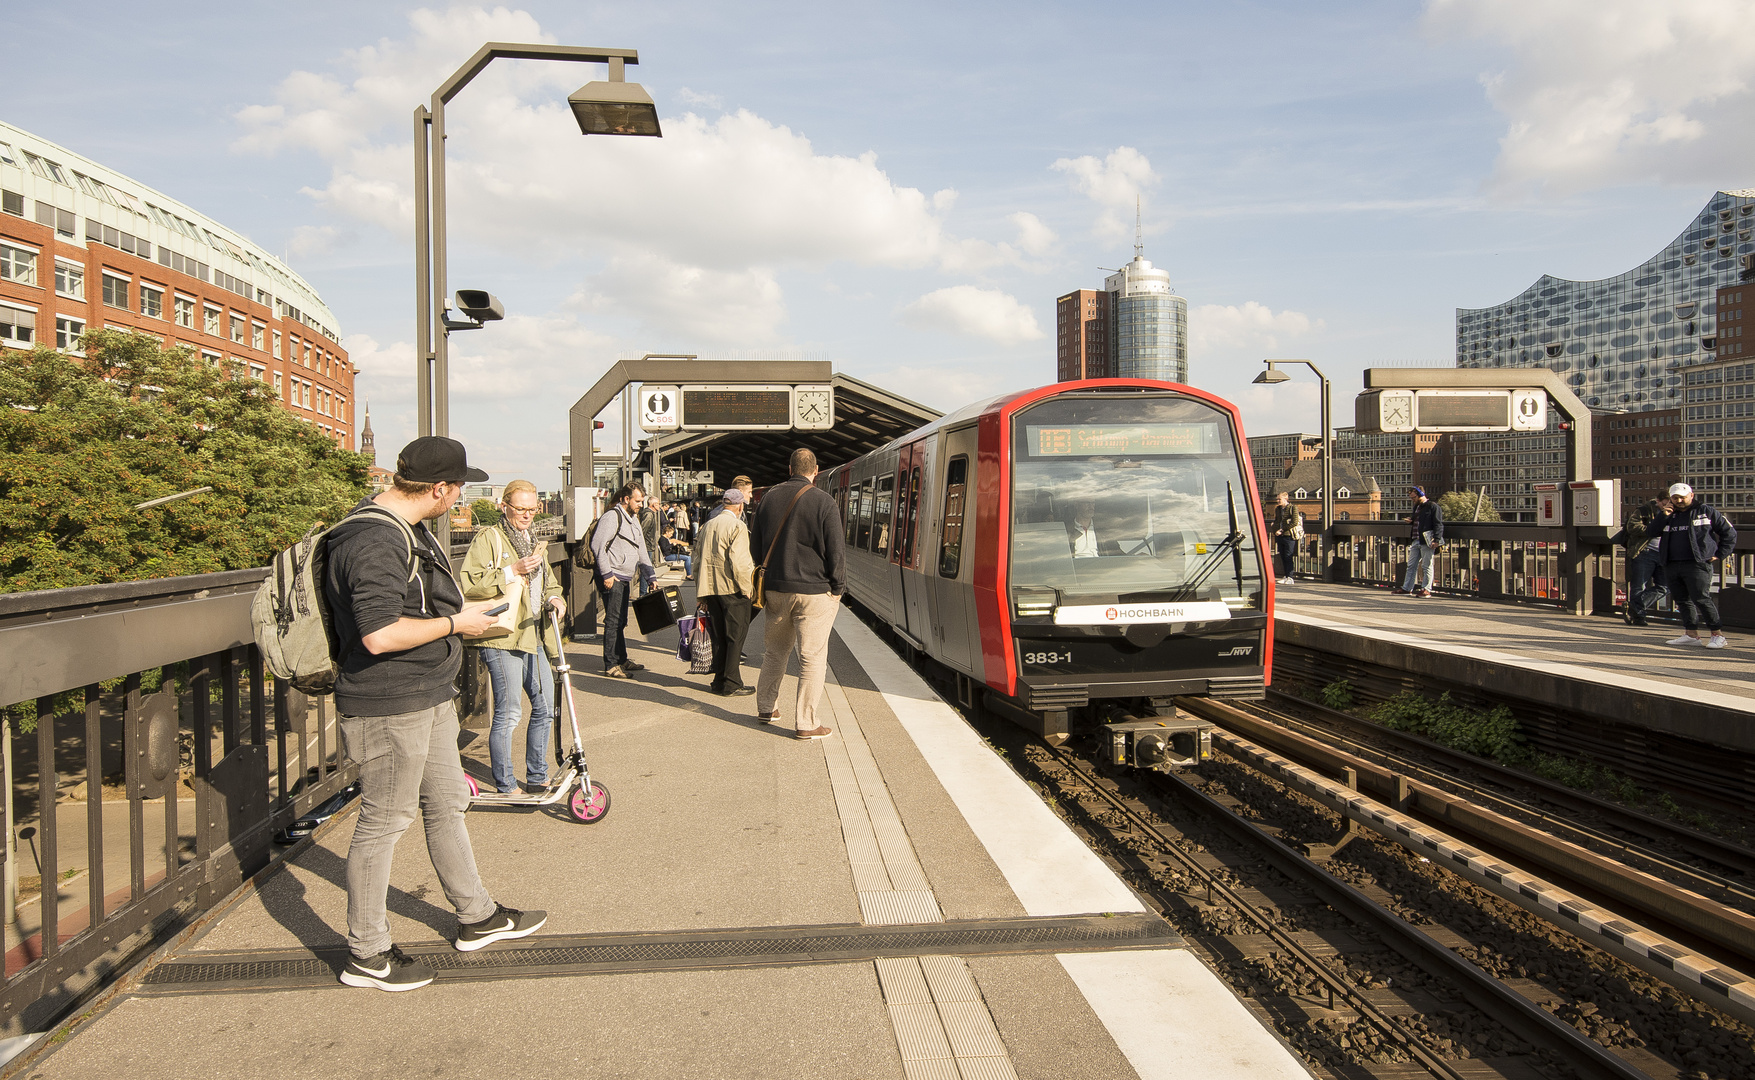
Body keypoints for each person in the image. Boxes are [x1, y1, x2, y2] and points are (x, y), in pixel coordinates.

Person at [325, 437, 546, 991]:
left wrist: (466, 611)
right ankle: (367, 953)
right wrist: (457, 625)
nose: (461, 495)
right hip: (388, 700)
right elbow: (378, 634)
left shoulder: (408, 531)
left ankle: (477, 916)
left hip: (425, 692)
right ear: (440, 489)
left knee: (447, 802)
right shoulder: (375, 540)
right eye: (459, 486)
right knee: (385, 819)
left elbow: (413, 607)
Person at [460, 480, 566, 794]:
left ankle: (537, 777)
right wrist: (512, 570)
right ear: (505, 506)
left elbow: (549, 583)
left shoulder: (533, 540)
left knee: (546, 706)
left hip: (533, 633)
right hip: (502, 636)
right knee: (509, 712)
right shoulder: (489, 538)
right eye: (520, 509)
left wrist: (556, 599)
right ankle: (505, 783)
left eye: (532, 509)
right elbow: (470, 583)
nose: (527, 515)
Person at [752, 449, 846, 739]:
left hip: (777, 589)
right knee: (812, 657)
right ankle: (806, 723)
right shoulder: (824, 501)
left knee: (775, 651)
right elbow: (836, 551)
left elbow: (756, 546)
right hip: (815, 593)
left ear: (788, 467)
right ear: (815, 470)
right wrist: (838, 588)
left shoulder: (768, 498)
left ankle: (767, 707)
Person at [1654, 482, 1735, 649]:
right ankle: (1691, 634)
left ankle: (1717, 635)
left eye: (1682, 497)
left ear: (1691, 495)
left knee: (1702, 598)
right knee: (1682, 600)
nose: (1679, 501)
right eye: (1675, 498)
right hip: (1672, 563)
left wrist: (1720, 554)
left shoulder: (1706, 511)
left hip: (1697, 563)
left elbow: (1729, 533)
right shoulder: (1668, 514)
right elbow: (1651, 532)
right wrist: (1663, 515)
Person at [589, 482, 657, 678]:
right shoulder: (612, 516)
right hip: (613, 576)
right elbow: (598, 546)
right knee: (612, 621)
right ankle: (611, 664)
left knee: (621, 621)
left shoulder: (633, 518)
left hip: (625, 576)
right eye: (637, 501)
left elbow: (641, 548)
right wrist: (607, 574)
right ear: (626, 499)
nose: (640, 505)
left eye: (642, 501)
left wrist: (650, 575)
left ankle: (621, 658)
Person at [696, 487, 757, 697]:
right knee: (735, 637)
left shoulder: (708, 525)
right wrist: (748, 588)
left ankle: (719, 680)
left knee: (720, 636)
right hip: (732, 588)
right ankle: (732, 683)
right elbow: (740, 563)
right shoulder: (737, 526)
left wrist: (701, 594)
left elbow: (697, 561)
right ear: (740, 506)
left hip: (711, 590)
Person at [1623, 496, 1671, 627]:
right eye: (1665, 504)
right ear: (1658, 501)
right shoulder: (1644, 511)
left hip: (1664, 554)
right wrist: (1652, 529)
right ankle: (1638, 617)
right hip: (1645, 551)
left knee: (1666, 586)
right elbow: (1632, 527)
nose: (1667, 507)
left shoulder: (1677, 514)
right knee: (1639, 585)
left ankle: (1633, 606)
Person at [1392, 487, 1443, 598]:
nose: (1412, 500)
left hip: (1427, 540)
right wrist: (1412, 521)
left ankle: (1426, 589)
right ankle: (1406, 588)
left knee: (1427, 565)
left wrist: (1437, 540)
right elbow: (1420, 522)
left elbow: (1438, 524)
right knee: (1411, 565)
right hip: (1416, 539)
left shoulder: (1433, 506)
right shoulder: (1417, 507)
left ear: (1420, 494)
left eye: (1414, 497)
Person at [1269, 492, 1299, 585]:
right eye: (1277, 499)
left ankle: (1290, 577)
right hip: (1280, 535)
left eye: (1279, 499)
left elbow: (1294, 522)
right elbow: (1277, 520)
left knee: (1288, 556)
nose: (1277, 501)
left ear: (1285, 499)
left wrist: (1281, 530)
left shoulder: (1293, 508)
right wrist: (1275, 528)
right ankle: (1286, 576)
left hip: (1289, 535)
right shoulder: (1278, 509)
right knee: (1282, 556)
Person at [637, 498, 663, 596]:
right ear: (653, 504)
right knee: (646, 570)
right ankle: (643, 593)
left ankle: (644, 592)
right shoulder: (649, 514)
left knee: (647, 569)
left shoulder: (650, 514)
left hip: (648, 544)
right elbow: (643, 530)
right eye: (658, 504)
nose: (659, 506)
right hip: (647, 545)